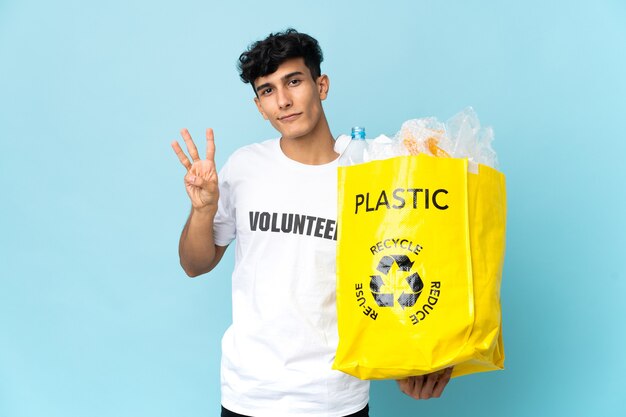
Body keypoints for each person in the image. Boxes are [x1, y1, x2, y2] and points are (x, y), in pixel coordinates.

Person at [171, 29, 452, 417]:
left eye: (294, 81)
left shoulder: (370, 172)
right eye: (267, 91)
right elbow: (194, 264)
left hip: (335, 397)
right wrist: (203, 209)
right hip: (249, 394)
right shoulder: (244, 167)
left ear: (321, 85)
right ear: (258, 106)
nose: (283, 101)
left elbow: (416, 259)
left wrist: (424, 356)